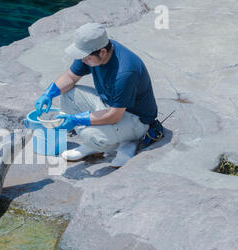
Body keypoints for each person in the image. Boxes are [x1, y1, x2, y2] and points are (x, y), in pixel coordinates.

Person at [35, 23, 158, 166]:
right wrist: (49, 94)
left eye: (86, 58)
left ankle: (128, 141)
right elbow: (70, 77)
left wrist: (76, 119)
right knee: (68, 95)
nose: (82, 60)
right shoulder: (92, 50)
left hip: (135, 118)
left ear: (103, 53)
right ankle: (100, 142)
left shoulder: (125, 72)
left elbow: (113, 116)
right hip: (110, 105)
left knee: (90, 135)